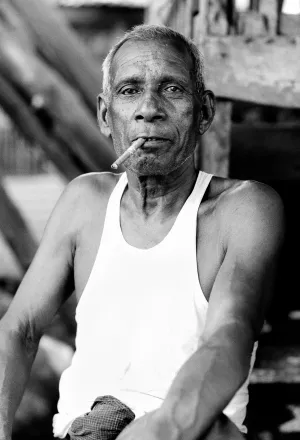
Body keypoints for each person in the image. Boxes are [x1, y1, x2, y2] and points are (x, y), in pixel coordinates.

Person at [0, 24, 284, 440]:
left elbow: (229, 338)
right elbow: (18, 328)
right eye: (130, 90)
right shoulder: (84, 201)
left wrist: (156, 429)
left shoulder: (242, 209)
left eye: (172, 89)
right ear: (104, 115)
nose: (149, 108)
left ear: (204, 111)